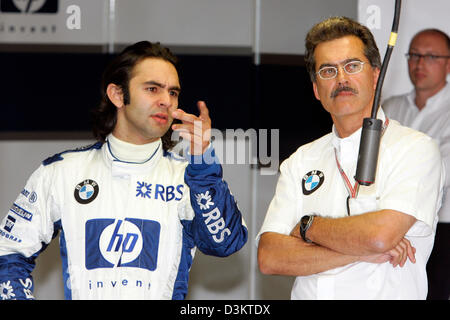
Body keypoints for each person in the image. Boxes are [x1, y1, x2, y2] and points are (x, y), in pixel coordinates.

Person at [0, 41, 248, 300]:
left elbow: (225, 243)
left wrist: (203, 162)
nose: (166, 101)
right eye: (153, 89)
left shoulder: (189, 176)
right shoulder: (62, 171)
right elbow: (8, 252)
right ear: (117, 95)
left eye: (173, 93)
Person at [257, 17, 444, 300]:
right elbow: (270, 257)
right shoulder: (300, 161)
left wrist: (308, 227)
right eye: (328, 70)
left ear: (375, 76)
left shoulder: (415, 149)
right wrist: (363, 250)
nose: (341, 78)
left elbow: (380, 235)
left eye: (352, 66)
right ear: (316, 90)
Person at [383, 28, 450, 300]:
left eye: (431, 56)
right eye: (414, 55)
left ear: (448, 63)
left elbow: (441, 169)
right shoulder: (389, 107)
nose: (420, 64)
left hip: (444, 224)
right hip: (392, 223)